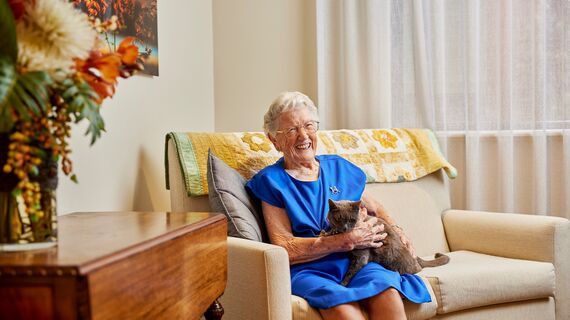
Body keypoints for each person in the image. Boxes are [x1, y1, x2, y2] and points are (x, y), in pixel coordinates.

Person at [246, 91, 431, 320]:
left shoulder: (339, 168)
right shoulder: (272, 181)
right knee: (343, 310)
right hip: (311, 267)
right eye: (292, 129)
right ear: (274, 140)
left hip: (359, 260)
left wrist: (399, 232)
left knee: (388, 293)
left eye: (309, 125)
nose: (303, 135)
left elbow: (376, 208)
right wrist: (342, 241)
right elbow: (284, 246)